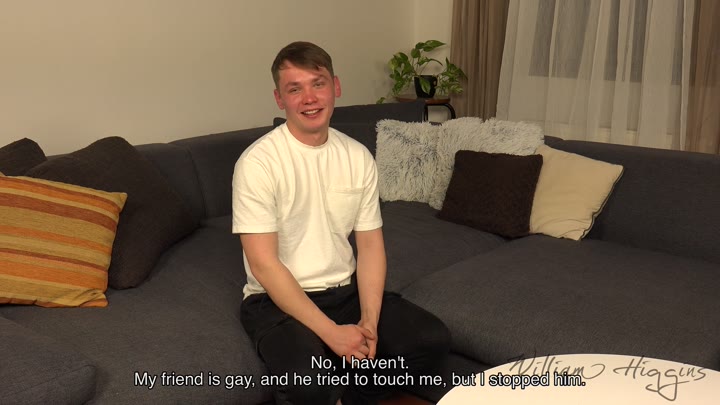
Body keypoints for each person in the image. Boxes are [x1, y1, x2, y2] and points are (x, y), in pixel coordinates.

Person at [232, 41, 450, 405]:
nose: (309, 98)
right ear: (279, 99)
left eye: (317, 84)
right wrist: (332, 334)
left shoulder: (357, 156)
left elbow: (370, 246)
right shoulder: (257, 164)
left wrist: (369, 320)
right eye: (294, 89)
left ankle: (347, 398)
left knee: (431, 340)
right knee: (308, 382)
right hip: (275, 300)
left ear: (335, 86)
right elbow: (263, 264)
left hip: (343, 292)